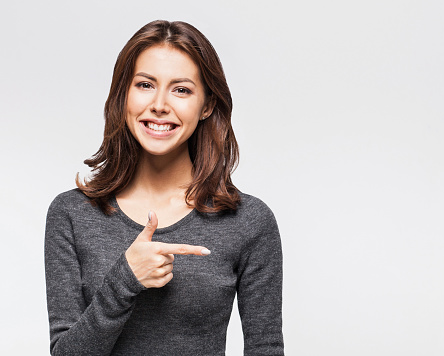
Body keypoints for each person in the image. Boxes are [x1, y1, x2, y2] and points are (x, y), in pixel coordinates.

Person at [44, 20, 284, 355]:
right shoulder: (71, 214)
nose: (159, 104)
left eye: (181, 90)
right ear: (123, 94)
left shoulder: (249, 221)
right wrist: (125, 279)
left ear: (207, 105)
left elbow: (266, 348)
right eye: (145, 84)